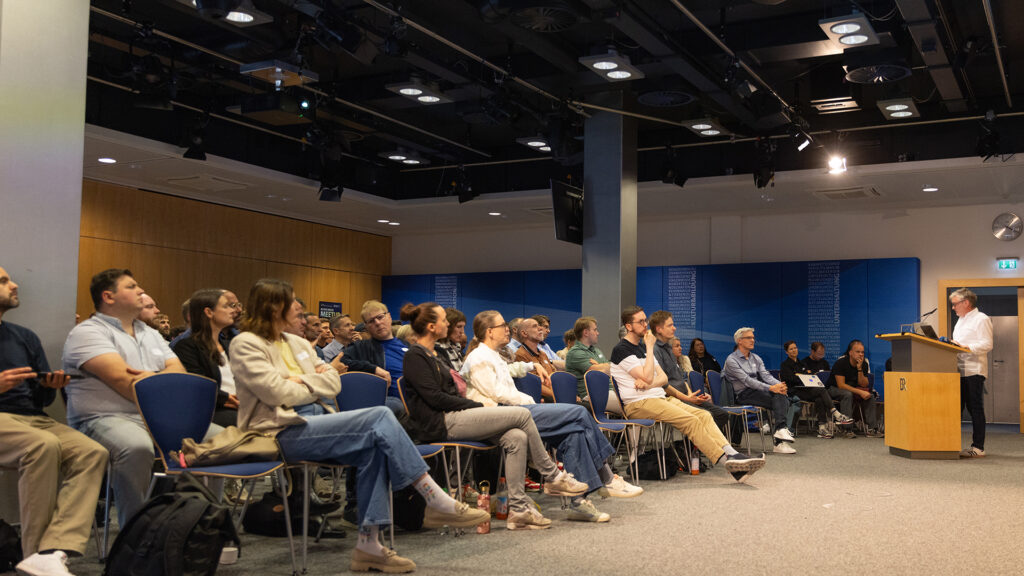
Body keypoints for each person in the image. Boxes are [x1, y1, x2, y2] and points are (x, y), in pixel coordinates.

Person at [229, 280, 487, 572]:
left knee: (373, 449)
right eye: (294, 307)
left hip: (318, 423)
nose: (300, 312)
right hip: (276, 432)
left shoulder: (298, 344)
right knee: (379, 415)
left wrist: (300, 382)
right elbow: (275, 393)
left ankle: (368, 546)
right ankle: (432, 496)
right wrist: (311, 382)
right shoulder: (246, 344)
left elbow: (333, 383)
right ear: (275, 307)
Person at [400, 303, 599, 530]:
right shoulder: (415, 356)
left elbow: (452, 391)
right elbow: (435, 398)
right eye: (444, 320)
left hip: (458, 414)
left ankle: (518, 509)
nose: (448, 323)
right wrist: (472, 404)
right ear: (431, 326)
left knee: (516, 437)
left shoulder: (437, 353)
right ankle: (552, 475)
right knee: (522, 415)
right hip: (442, 422)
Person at [62, 269, 213, 528]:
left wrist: (150, 378)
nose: (141, 290)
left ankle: (205, 526)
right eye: (132, 287)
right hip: (103, 418)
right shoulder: (88, 332)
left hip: (158, 419)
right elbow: (126, 385)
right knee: (136, 447)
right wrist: (160, 377)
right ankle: (135, 534)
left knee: (220, 441)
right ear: (108, 296)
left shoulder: (150, 333)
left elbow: (180, 375)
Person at [462, 309, 642, 518]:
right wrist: (527, 400)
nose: (508, 329)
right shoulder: (479, 358)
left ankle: (579, 504)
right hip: (504, 415)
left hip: (516, 410)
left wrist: (533, 365)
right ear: (490, 331)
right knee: (578, 414)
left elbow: (510, 370)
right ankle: (607, 477)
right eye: (502, 326)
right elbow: (496, 393)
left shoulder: (494, 356)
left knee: (574, 434)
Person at [0, 265, 109, 576]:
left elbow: (41, 400)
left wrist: (50, 387)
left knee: (93, 452)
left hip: (32, 418)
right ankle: (36, 554)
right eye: (4, 281)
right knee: (43, 445)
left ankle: (53, 550)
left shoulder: (24, 337)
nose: (15, 285)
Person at [609, 306, 766, 481]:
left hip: (658, 397)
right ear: (628, 326)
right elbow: (647, 375)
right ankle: (730, 465)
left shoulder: (643, 348)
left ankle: (733, 454)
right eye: (641, 321)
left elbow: (662, 378)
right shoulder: (622, 349)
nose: (645, 325)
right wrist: (650, 350)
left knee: (704, 415)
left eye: (645, 320)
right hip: (639, 404)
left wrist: (648, 383)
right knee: (691, 420)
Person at [649, 311, 734, 438]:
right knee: (706, 415)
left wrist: (690, 394)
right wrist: (687, 398)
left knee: (722, 414)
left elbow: (681, 379)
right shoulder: (654, 351)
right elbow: (663, 385)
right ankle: (707, 449)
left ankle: (693, 446)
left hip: (685, 396)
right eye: (670, 325)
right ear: (659, 329)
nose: (674, 327)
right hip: (672, 399)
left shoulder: (668, 349)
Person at [172, 289, 242, 427]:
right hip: (213, 409)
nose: (232, 311)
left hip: (239, 403)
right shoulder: (187, 346)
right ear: (209, 312)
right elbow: (198, 384)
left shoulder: (229, 344)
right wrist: (226, 398)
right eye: (226, 306)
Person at [722, 327, 796, 454]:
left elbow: (766, 376)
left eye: (753, 338)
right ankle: (780, 438)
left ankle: (780, 431)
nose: (752, 340)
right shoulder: (731, 360)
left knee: (780, 395)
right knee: (778, 396)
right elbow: (747, 381)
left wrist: (780, 385)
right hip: (743, 394)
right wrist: (771, 388)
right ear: (739, 341)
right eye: (749, 338)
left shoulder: (755, 357)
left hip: (757, 391)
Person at [339, 301, 407, 415]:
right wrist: (373, 369)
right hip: (389, 403)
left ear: (389, 317)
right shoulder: (362, 347)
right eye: (371, 321)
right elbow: (340, 361)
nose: (378, 323)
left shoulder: (407, 346)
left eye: (380, 317)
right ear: (366, 327)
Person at [949, 288, 993, 458]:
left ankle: (978, 447)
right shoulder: (960, 321)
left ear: (965, 303)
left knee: (975, 408)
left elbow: (987, 344)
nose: (953, 308)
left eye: (954, 304)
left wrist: (967, 348)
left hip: (974, 370)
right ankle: (951, 444)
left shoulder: (981, 319)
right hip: (959, 370)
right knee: (956, 408)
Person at [779, 340, 854, 438]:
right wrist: (801, 377)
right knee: (821, 391)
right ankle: (836, 413)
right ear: (787, 352)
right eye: (791, 349)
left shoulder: (801, 364)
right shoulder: (785, 365)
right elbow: (790, 379)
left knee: (819, 397)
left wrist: (800, 376)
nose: (794, 350)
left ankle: (822, 428)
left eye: (795, 348)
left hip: (806, 389)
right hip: (794, 391)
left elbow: (809, 376)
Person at [826, 340, 882, 438]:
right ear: (850, 353)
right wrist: (860, 392)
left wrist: (859, 369)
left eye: (862, 352)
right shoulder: (841, 363)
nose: (861, 354)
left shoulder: (863, 364)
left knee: (870, 396)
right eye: (858, 352)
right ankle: (847, 429)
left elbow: (864, 384)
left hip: (851, 389)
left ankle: (872, 429)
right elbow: (841, 385)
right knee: (847, 394)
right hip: (833, 389)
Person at [564, 316, 618, 414]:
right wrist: (604, 366)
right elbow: (600, 371)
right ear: (586, 332)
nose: (598, 333)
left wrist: (603, 366)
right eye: (595, 330)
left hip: (609, 391)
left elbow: (612, 368)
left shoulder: (596, 351)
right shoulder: (575, 352)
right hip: (592, 395)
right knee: (630, 403)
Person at [513, 317, 555, 400]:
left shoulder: (543, 354)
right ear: (524, 333)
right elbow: (533, 384)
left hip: (554, 395)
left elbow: (554, 376)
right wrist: (557, 395)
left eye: (539, 326)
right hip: (540, 398)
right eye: (535, 326)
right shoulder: (520, 355)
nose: (540, 328)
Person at [433, 307, 466, 372]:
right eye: (459, 327)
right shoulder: (437, 349)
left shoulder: (456, 347)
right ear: (448, 326)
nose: (462, 332)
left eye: (463, 327)